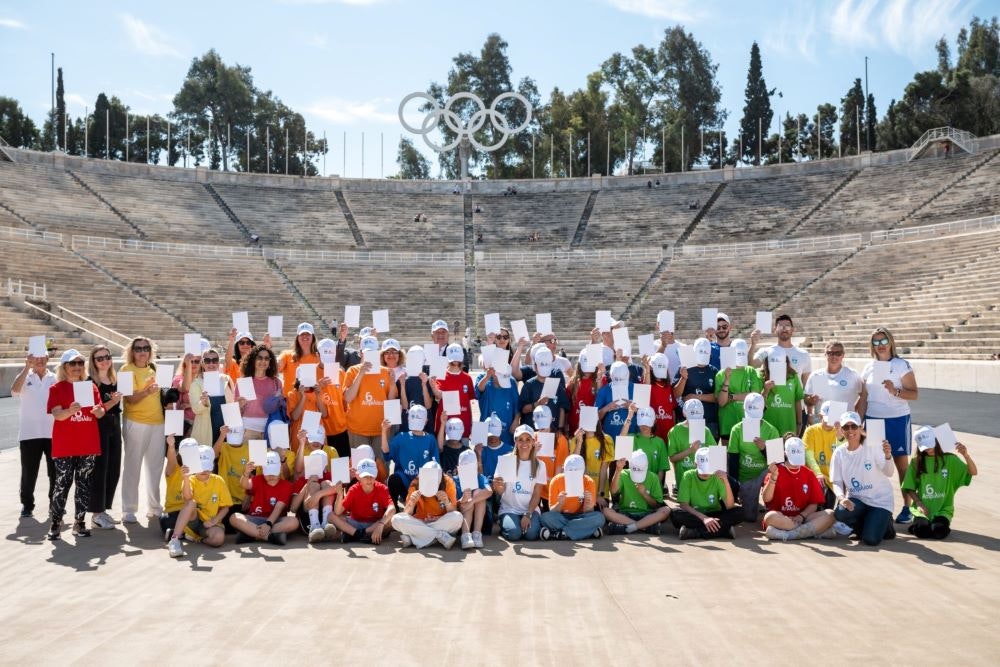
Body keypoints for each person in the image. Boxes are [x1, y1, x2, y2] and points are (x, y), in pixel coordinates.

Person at [858, 327, 919, 524]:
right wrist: (858, 421)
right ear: (872, 346)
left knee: (902, 466)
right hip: (874, 420)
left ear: (890, 342)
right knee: (873, 465)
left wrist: (895, 391)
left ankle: (908, 508)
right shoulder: (868, 367)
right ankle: (874, 506)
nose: (880, 345)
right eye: (875, 342)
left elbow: (914, 394)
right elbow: (864, 398)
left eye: (883, 341)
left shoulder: (902, 365)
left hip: (897, 419)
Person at [46, 349, 106, 540]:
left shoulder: (91, 387)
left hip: (87, 444)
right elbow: (57, 414)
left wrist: (98, 410)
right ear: (65, 367)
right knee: (61, 484)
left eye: (80, 364)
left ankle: (79, 523)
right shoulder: (56, 388)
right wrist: (70, 410)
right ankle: (56, 522)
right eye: (73, 364)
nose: (77, 367)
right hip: (65, 446)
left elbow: (100, 412)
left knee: (84, 485)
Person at [830, 412, 896, 547]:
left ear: (860, 427)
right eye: (846, 427)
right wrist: (842, 498)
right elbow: (836, 481)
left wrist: (888, 456)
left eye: (853, 426)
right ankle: (870, 523)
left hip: (880, 501)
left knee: (870, 540)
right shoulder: (839, 452)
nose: (850, 431)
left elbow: (889, 472)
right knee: (840, 513)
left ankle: (885, 523)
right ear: (841, 430)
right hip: (858, 500)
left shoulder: (873, 445)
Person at [901, 426, 977, 540]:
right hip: (923, 509)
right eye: (924, 446)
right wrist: (919, 503)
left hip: (943, 509)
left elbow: (973, 472)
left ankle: (935, 524)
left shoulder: (950, 460)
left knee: (938, 532)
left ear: (937, 440)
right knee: (922, 532)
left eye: (930, 444)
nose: (928, 449)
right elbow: (909, 487)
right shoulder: (916, 461)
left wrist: (966, 455)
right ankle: (918, 524)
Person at [120, 337, 165, 524]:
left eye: (146, 348)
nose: (142, 351)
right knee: (132, 466)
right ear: (132, 351)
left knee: (155, 468)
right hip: (135, 422)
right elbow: (128, 399)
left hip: (158, 423)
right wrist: (146, 391)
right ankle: (129, 509)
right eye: (138, 348)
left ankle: (154, 507)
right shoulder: (125, 370)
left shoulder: (155, 368)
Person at [761, 437, 835, 540]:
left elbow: (814, 504)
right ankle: (814, 532)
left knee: (831, 514)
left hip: (804, 518)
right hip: (782, 518)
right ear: (785, 453)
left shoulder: (809, 473)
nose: (796, 464)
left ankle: (788, 535)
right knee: (769, 517)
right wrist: (773, 478)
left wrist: (801, 516)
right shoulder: (776, 470)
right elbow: (766, 499)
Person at [12, 349, 56, 519]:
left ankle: (55, 503)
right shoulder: (25, 376)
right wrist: (25, 368)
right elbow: (14, 391)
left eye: (42, 357)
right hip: (29, 434)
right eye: (35, 358)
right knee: (29, 472)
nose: (39, 361)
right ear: (30, 359)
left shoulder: (55, 377)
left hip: (53, 433)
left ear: (47, 358)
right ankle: (27, 505)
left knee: (55, 471)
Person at [167, 445, 232, 558]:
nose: (203, 471)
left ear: (211, 466)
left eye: (206, 467)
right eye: (200, 467)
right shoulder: (191, 479)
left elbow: (226, 507)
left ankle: (195, 538)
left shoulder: (219, 481)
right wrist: (186, 478)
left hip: (210, 524)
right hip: (193, 519)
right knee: (191, 502)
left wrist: (214, 520)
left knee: (219, 539)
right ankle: (174, 539)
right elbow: (187, 498)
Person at [727, 393, 780, 522]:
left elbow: (778, 462)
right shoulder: (736, 430)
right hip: (746, 477)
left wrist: (764, 449)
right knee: (749, 518)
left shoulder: (771, 430)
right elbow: (732, 461)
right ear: (744, 410)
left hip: (765, 473)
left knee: (777, 476)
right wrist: (735, 488)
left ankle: (773, 505)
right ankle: (748, 497)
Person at [87, 345, 123, 529]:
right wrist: (113, 402)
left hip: (115, 423)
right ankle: (95, 514)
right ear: (93, 361)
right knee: (100, 469)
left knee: (113, 468)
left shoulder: (115, 378)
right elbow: (94, 412)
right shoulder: (90, 382)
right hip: (98, 427)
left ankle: (103, 509)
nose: (104, 361)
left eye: (106, 357)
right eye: (99, 358)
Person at [671, 448, 742, 539]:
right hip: (696, 514)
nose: (706, 474)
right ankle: (723, 531)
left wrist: (726, 481)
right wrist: (704, 518)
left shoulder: (718, 475)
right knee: (675, 513)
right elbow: (683, 504)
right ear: (695, 464)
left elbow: (729, 505)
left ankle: (695, 532)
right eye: (703, 470)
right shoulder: (688, 476)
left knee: (740, 512)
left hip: (715, 514)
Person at [230, 451, 298, 545]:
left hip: (275, 520)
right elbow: (245, 485)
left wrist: (268, 524)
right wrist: (246, 473)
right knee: (234, 517)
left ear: (280, 469)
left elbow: (278, 508)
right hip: (254, 518)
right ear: (263, 469)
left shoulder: (287, 486)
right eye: (268, 472)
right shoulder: (258, 479)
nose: (271, 476)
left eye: (274, 473)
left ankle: (251, 534)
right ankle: (269, 537)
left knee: (293, 522)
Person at [391, 460, 463, 549]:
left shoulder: (448, 482)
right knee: (396, 520)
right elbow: (407, 513)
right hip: (420, 520)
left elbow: (454, 511)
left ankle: (414, 538)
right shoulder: (416, 483)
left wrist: (447, 503)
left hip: (440, 521)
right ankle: (438, 536)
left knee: (458, 517)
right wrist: (412, 503)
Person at [492, 425, 547, 541]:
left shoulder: (540, 465)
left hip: (529, 510)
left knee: (531, 534)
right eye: (520, 439)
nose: (524, 443)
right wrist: (497, 487)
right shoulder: (506, 460)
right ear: (515, 442)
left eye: (528, 439)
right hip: (509, 508)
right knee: (514, 534)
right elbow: (501, 491)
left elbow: (537, 494)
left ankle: (523, 524)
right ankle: (507, 524)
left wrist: (528, 514)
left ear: (533, 442)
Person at [344, 336, 397, 448]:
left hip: (381, 429)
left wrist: (392, 385)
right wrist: (361, 374)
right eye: (366, 353)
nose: (369, 357)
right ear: (361, 353)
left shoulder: (386, 372)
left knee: (381, 465)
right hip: (358, 429)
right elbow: (348, 398)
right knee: (360, 465)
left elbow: (391, 402)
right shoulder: (352, 371)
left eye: (372, 353)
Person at [602, 450, 671, 535]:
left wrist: (644, 494)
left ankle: (629, 527)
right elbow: (613, 491)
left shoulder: (653, 477)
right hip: (625, 513)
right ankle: (644, 527)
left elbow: (656, 505)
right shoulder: (623, 474)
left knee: (666, 510)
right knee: (606, 511)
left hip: (647, 514)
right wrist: (618, 470)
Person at [382, 406, 439, 508]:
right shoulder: (401, 437)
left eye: (419, 418)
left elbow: (436, 466)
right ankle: (393, 508)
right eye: (413, 417)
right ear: (408, 419)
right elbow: (386, 453)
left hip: (422, 486)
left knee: (418, 510)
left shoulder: (430, 439)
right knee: (392, 480)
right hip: (404, 483)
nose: (416, 420)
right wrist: (384, 431)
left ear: (426, 421)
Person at [540, 454, 605, 540]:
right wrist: (559, 503)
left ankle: (561, 533)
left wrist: (588, 503)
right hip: (562, 516)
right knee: (545, 518)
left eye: (577, 471)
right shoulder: (556, 481)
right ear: (564, 470)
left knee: (599, 518)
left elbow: (588, 511)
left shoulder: (589, 481)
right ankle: (586, 531)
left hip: (581, 516)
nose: (574, 473)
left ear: (583, 471)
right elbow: (552, 511)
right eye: (570, 470)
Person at [330, 457, 395, 544]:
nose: (369, 479)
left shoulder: (381, 488)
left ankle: (353, 535)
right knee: (331, 516)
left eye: (371, 475)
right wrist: (340, 494)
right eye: (365, 476)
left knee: (391, 520)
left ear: (375, 475)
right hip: (356, 523)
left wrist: (381, 525)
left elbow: (392, 508)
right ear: (358, 477)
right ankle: (360, 535)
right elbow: (338, 512)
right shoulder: (354, 489)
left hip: (374, 523)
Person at [803, 340, 864, 425]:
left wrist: (854, 410)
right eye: (830, 353)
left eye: (838, 353)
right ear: (825, 354)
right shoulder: (816, 375)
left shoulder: (852, 375)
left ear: (843, 355)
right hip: (822, 425)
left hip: (845, 426)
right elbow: (806, 399)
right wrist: (811, 401)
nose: (834, 356)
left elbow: (863, 397)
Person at [714, 339, 762, 446]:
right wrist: (727, 379)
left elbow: (754, 397)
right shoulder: (721, 374)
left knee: (747, 455)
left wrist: (731, 396)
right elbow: (721, 402)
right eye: (737, 352)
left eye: (742, 352)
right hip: (727, 423)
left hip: (749, 422)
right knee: (730, 458)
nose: (740, 354)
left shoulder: (751, 371)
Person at [666, 399, 717, 496]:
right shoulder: (675, 431)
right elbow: (672, 458)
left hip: (703, 479)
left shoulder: (705, 431)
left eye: (698, 418)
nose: (695, 422)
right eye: (692, 418)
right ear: (684, 414)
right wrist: (690, 450)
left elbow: (716, 455)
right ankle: (677, 486)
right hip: (684, 480)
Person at [672, 338, 719, 439]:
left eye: (705, 352)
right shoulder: (684, 367)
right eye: (700, 351)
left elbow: (718, 397)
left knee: (710, 450)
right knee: (688, 451)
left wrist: (696, 397)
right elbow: (675, 394)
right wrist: (683, 378)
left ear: (710, 354)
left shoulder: (713, 370)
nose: (703, 353)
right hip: (687, 420)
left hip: (709, 419)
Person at [190, 348, 235, 450]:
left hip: (227, 431)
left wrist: (240, 403)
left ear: (218, 363)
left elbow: (232, 404)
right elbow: (195, 409)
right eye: (207, 360)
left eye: (214, 360)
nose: (211, 364)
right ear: (202, 363)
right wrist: (203, 402)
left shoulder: (226, 380)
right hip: (206, 432)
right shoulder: (196, 384)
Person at [750, 314, 812, 387]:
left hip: (794, 398)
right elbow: (751, 366)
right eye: (780, 326)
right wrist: (753, 344)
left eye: (787, 326)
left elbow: (806, 384)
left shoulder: (803, 354)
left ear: (792, 329)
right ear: (775, 330)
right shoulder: (766, 351)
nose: (784, 328)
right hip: (771, 396)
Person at [518, 347, 569, 431]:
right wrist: (537, 404)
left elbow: (562, 408)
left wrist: (560, 429)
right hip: (532, 433)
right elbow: (523, 409)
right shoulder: (529, 385)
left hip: (552, 432)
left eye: (547, 364)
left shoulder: (556, 385)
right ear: (535, 366)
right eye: (541, 365)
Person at [803, 401, 842, 508]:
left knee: (828, 509)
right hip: (815, 477)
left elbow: (844, 455)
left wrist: (840, 436)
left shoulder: (841, 432)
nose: (829, 423)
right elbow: (808, 454)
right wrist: (818, 473)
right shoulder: (811, 431)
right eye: (827, 419)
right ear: (820, 416)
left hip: (832, 480)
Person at [431, 343, 475, 436]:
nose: (455, 360)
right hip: (445, 423)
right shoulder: (440, 376)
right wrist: (433, 386)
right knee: (444, 449)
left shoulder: (467, 378)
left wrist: (471, 422)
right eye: (452, 357)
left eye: (457, 357)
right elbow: (438, 395)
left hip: (463, 423)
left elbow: (468, 402)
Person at [621, 404, 670, 485]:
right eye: (642, 423)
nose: (644, 426)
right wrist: (629, 416)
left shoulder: (660, 442)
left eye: (647, 423)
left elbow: (661, 469)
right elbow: (622, 439)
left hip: (652, 486)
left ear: (654, 422)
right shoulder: (633, 438)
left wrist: (655, 487)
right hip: (633, 484)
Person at [453, 448, 493, 549]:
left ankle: (476, 534)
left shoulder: (480, 477)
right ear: (458, 468)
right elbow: (453, 505)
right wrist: (463, 500)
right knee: (469, 497)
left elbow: (489, 491)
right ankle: (465, 535)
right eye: (465, 467)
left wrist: (473, 500)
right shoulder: (453, 481)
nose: (468, 470)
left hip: (479, 519)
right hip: (460, 517)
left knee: (478, 494)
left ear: (476, 466)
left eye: (471, 467)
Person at [474, 361, 519, 448]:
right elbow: (478, 391)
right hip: (487, 429)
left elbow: (517, 404)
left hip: (507, 431)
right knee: (484, 455)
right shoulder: (483, 378)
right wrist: (487, 376)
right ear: (495, 374)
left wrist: (516, 420)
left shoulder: (511, 382)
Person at [160, 435, 196, 542]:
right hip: (173, 513)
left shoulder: (198, 470)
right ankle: (185, 533)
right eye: (186, 452)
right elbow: (171, 459)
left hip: (190, 512)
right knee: (166, 520)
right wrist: (171, 446)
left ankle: (178, 533)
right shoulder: (174, 469)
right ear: (179, 453)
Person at [761, 354, 803, 437]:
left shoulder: (793, 376)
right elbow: (757, 404)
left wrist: (799, 423)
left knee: (786, 450)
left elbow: (797, 401)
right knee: (771, 450)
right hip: (768, 429)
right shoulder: (761, 376)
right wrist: (765, 390)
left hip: (788, 428)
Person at [596, 361, 637, 439]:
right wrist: (606, 408)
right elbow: (595, 417)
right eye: (617, 379)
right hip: (610, 438)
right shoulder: (604, 390)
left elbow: (646, 414)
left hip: (631, 436)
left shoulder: (636, 388)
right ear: (611, 376)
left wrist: (634, 408)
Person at [277, 322, 320, 395]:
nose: (305, 336)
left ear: (313, 337)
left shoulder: (319, 357)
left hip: (313, 403)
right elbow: (276, 366)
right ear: (297, 337)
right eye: (302, 334)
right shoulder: (287, 355)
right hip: (291, 403)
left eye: (308, 334)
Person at [644, 352, 676, 441]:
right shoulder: (648, 384)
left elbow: (672, 409)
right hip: (655, 430)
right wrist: (646, 370)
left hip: (669, 430)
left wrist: (674, 427)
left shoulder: (668, 386)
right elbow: (645, 389)